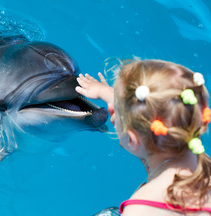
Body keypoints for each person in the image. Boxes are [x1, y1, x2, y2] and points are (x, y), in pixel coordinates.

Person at [76, 59, 211, 215]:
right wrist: (106, 93)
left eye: (116, 109)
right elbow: (160, 108)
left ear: (132, 140)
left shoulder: (142, 208)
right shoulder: (202, 165)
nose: (111, 107)